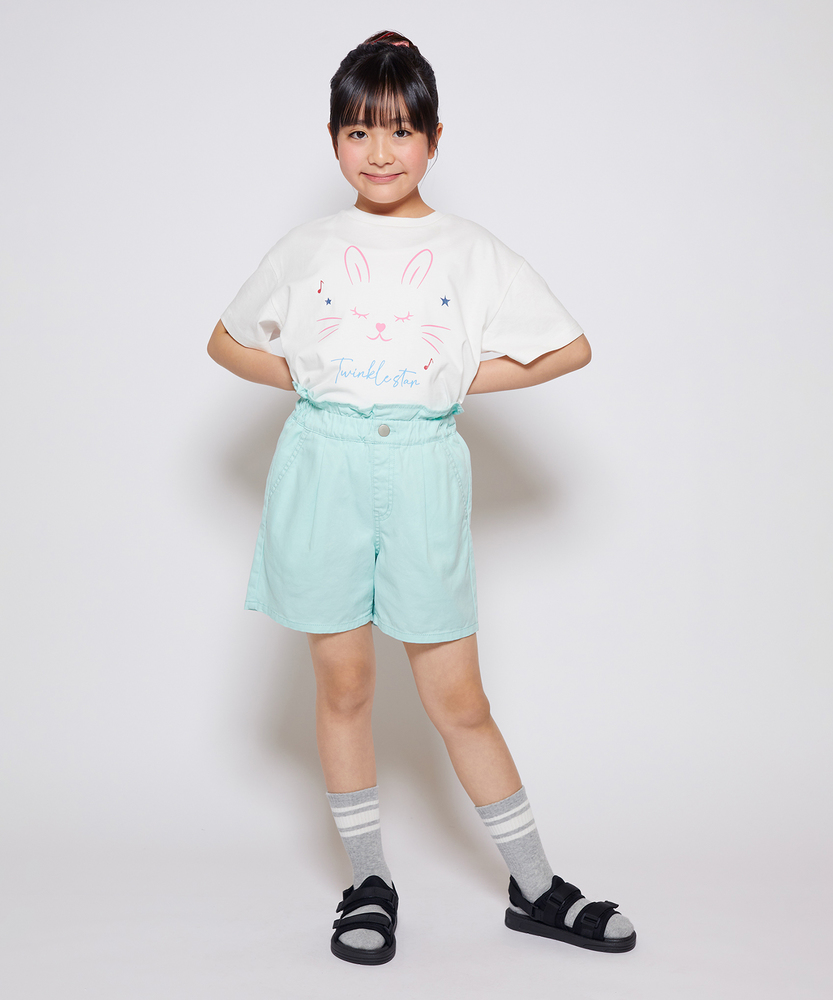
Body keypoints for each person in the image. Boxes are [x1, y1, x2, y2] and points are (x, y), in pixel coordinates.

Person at [207, 29, 636, 965]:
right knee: (345, 685)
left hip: (422, 470)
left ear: (435, 139)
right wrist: (310, 377)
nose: (380, 151)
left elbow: (567, 347)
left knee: (458, 699)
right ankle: (368, 882)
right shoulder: (310, 245)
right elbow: (225, 340)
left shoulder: (467, 250)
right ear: (333, 141)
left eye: (400, 130)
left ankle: (535, 887)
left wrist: (450, 381)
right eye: (358, 131)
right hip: (323, 467)